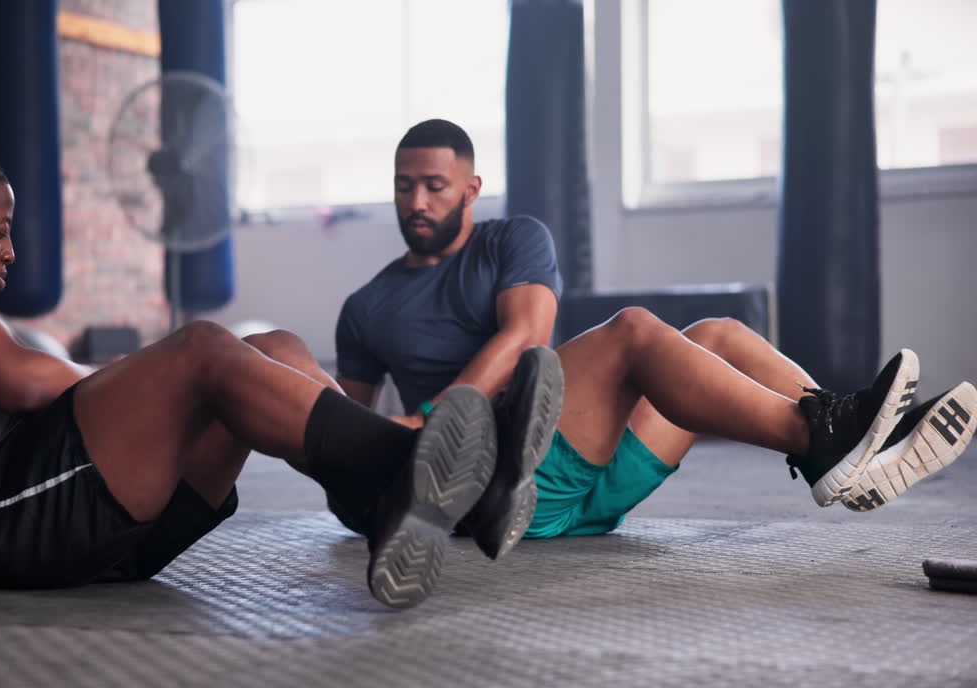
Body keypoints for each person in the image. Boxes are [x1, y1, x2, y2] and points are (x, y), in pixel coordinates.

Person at [0, 126, 559, 610]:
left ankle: (392, 494)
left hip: (81, 517)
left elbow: (52, 391)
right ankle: (417, 473)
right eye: (1, 230)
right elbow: (23, 384)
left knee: (264, 348)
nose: (10, 252)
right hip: (1, 525)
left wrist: (149, 384)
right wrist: (161, 376)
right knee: (204, 349)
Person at [331, 118, 976, 545]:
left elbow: (526, 338)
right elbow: (345, 439)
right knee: (633, 332)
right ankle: (828, 443)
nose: (417, 202)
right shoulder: (367, 305)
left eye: (434, 186)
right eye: (404, 186)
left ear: (471, 188)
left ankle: (852, 438)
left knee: (718, 334)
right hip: (505, 484)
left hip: (578, 466)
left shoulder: (513, 241)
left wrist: (438, 411)